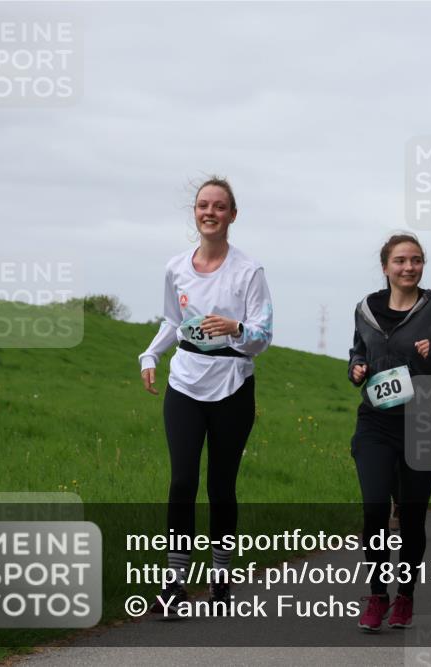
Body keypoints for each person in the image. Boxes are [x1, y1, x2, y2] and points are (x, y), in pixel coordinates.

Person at [138, 177, 273, 614]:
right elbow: (171, 321)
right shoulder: (176, 267)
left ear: (232, 215)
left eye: (219, 206)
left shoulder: (249, 272)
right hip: (185, 382)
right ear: (194, 213)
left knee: (220, 486)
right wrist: (150, 355)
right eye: (202, 206)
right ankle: (173, 583)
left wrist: (236, 328)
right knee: (181, 482)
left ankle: (220, 576)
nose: (209, 213)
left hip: (232, 383)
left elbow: (263, 335)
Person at [348, 233, 431, 632]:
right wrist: (356, 370)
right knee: (373, 510)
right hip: (376, 422)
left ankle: (405, 598)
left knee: (413, 518)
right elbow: (357, 352)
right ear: (386, 267)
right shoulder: (365, 309)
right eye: (400, 261)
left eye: (416, 260)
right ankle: (377, 595)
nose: (408, 267)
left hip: (423, 423)